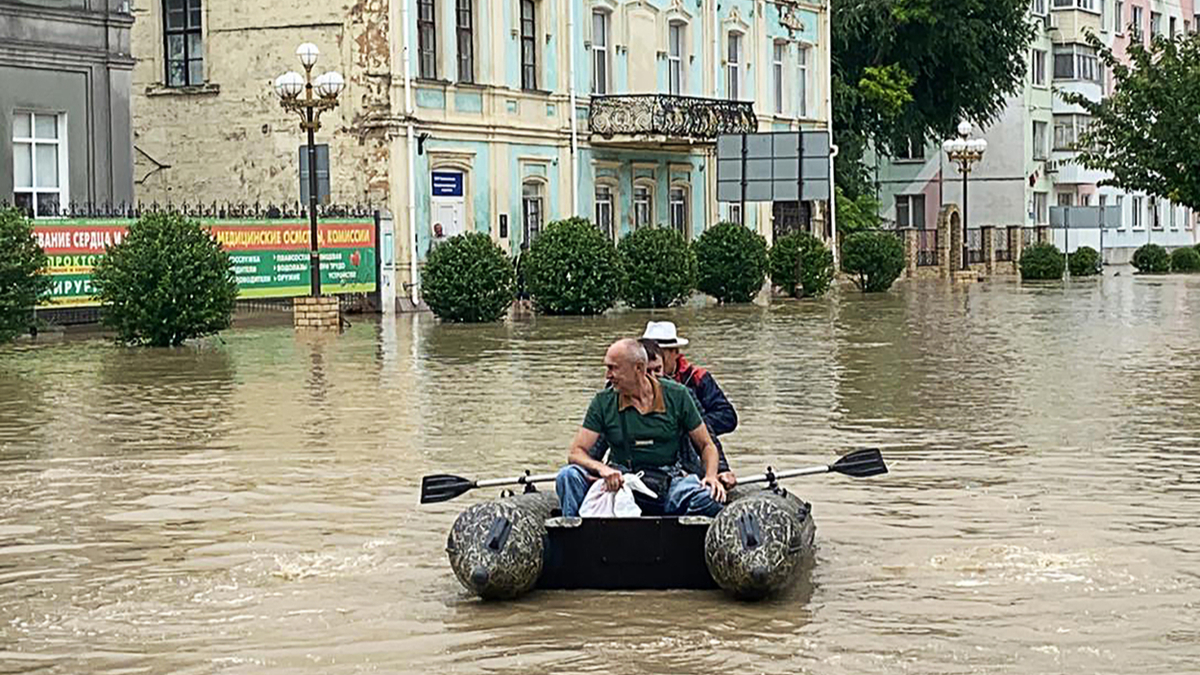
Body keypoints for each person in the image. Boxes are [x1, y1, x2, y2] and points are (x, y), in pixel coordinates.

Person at [556, 339, 726, 518]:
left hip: (668, 483)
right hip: (619, 483)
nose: (608, 375)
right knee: (567, 476)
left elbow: (707, 445)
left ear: (638, 368)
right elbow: (576, 452)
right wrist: (602, 469)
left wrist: (711, 476)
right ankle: (577, 536)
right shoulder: (603, 402)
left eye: (613, 368)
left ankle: (678, 536)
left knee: (710, 498)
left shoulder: (678, 395)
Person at [642, 321, 739, 488]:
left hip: (691, 450)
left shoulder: (696, 379)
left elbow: (725, 419)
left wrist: (686, 426)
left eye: (659, 356)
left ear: (675, 353)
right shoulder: (620, 389)